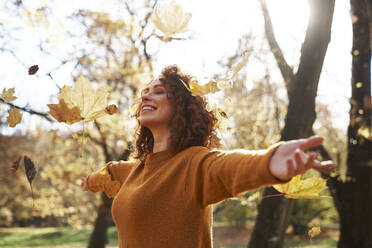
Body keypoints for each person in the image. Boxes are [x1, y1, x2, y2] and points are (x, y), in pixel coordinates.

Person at [81, 65, 335, 248]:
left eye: (158, 91)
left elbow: (228, 167)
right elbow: (110, 172)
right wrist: (89, 181)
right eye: (145, 92)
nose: (146, 95)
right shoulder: (137, 170)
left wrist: (269, 161)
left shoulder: (195, 163)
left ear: (181, 104)